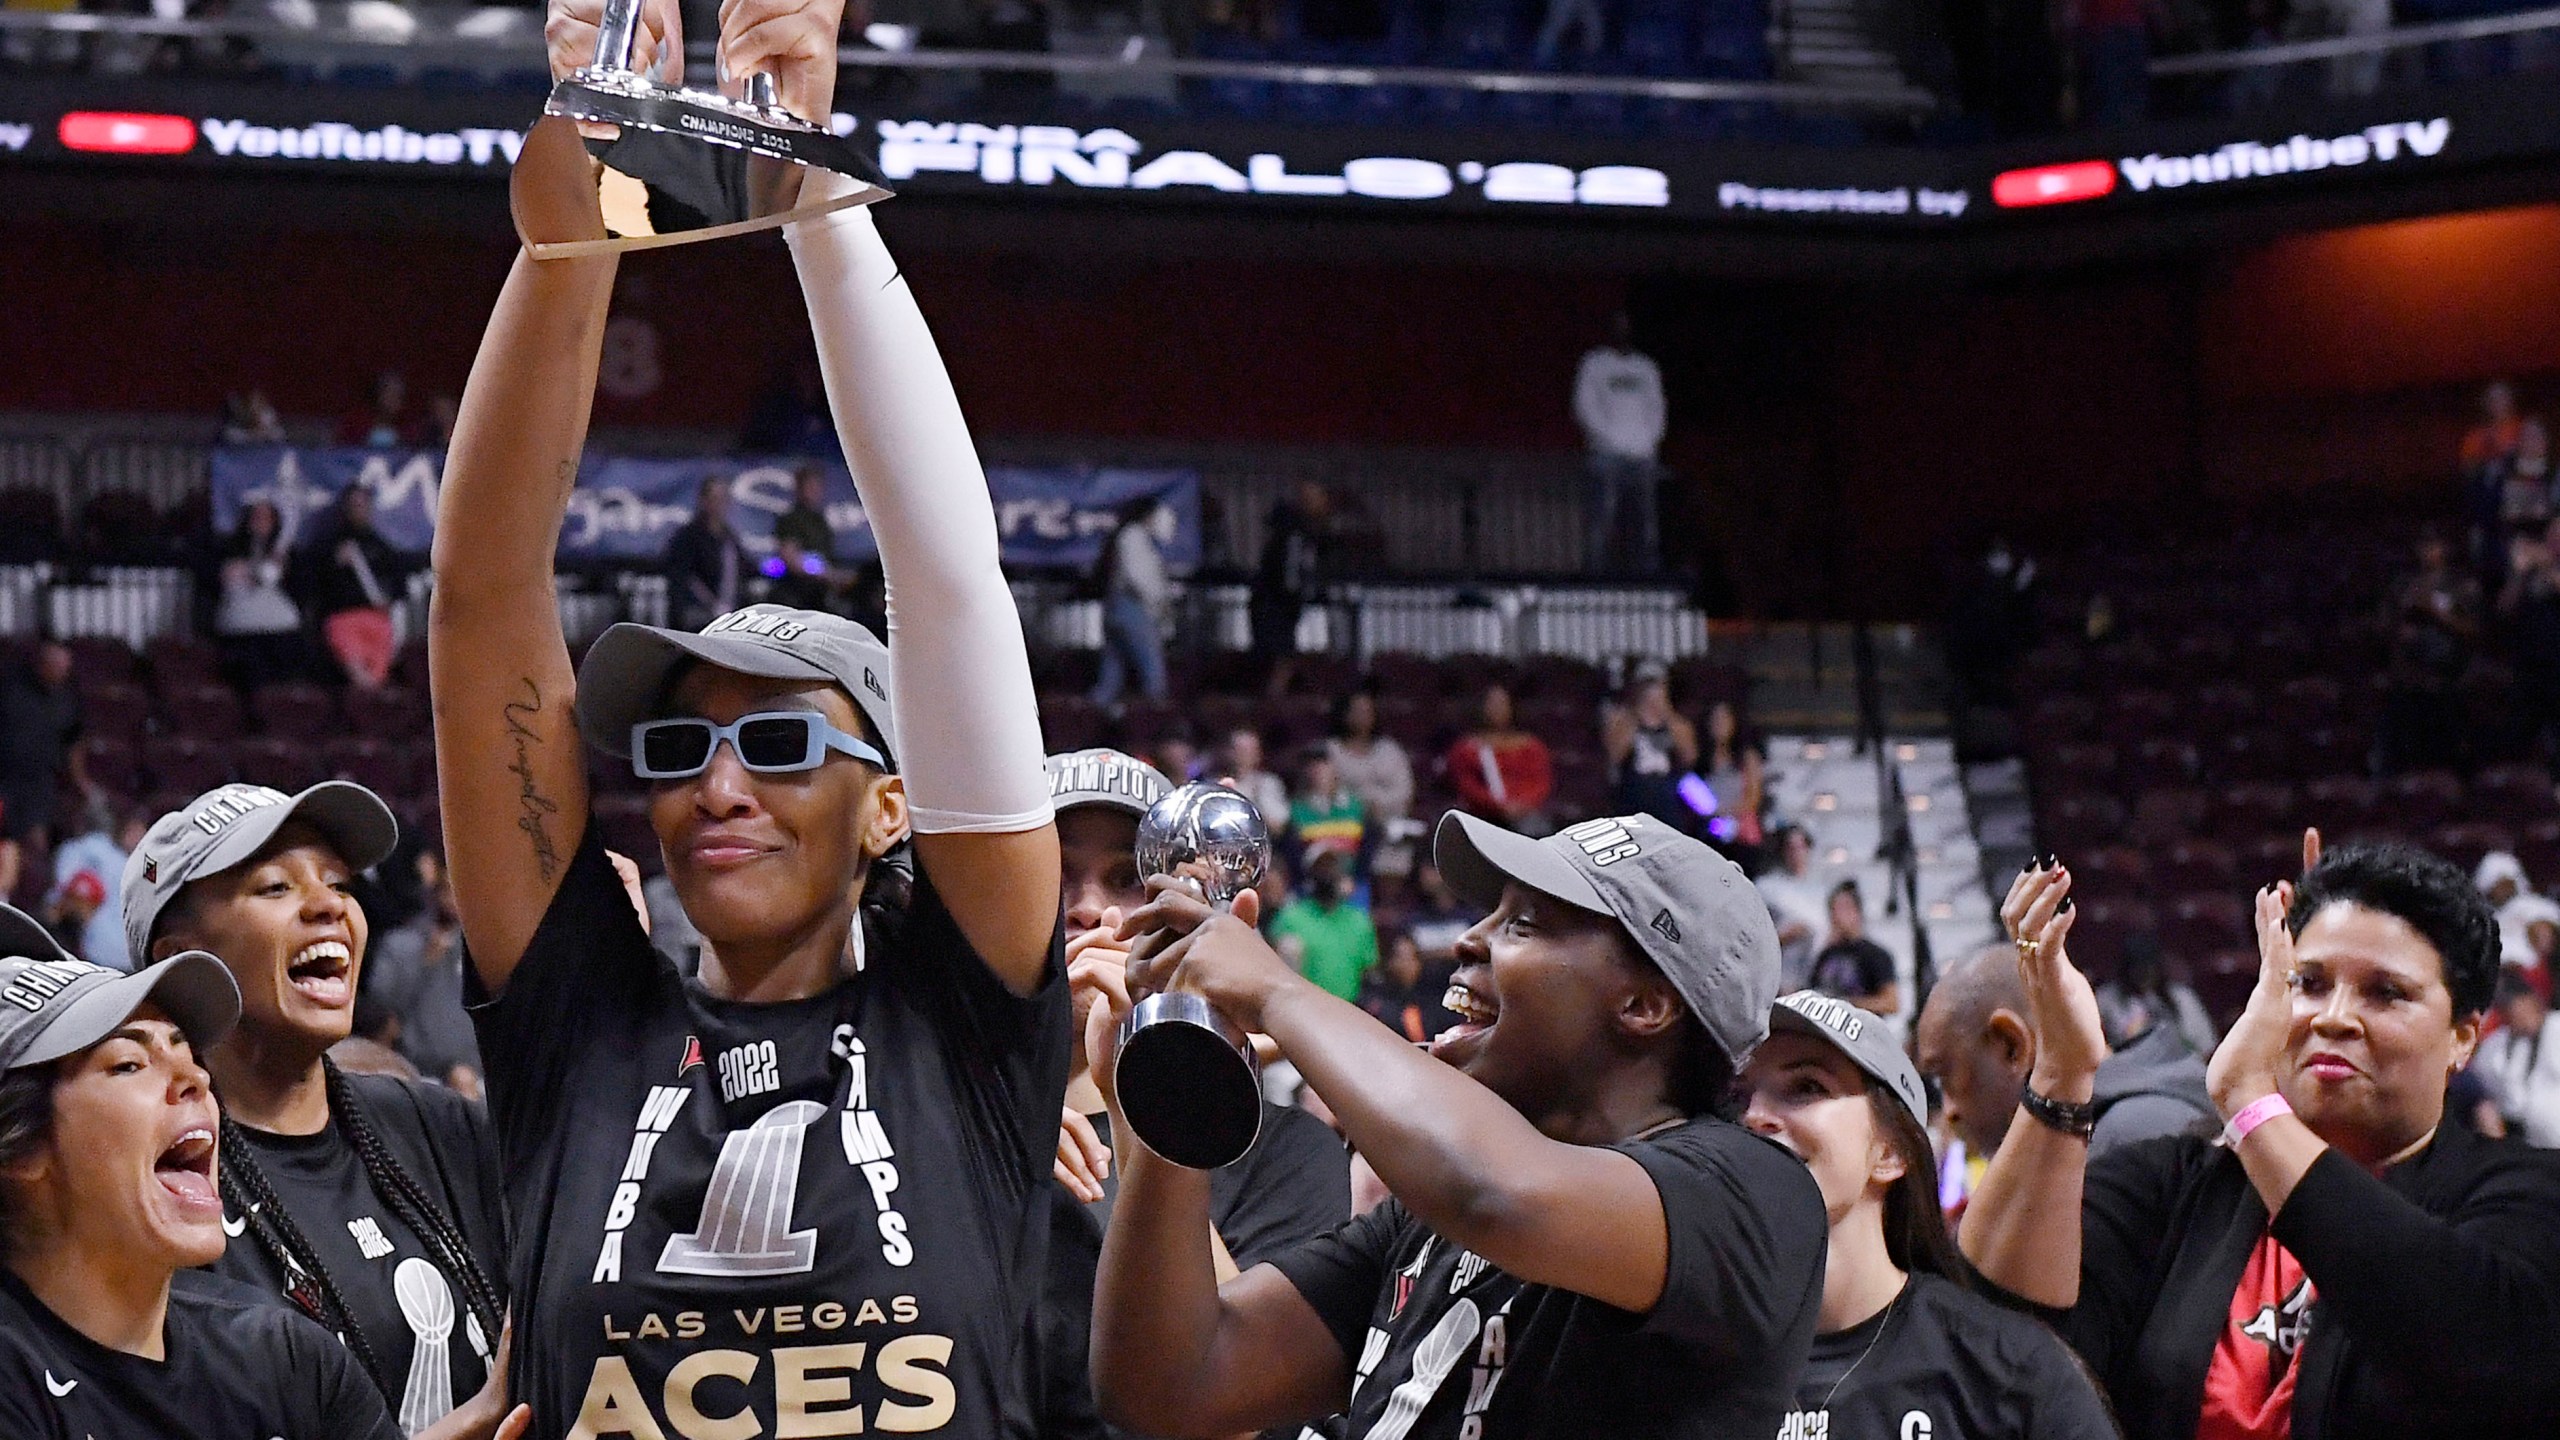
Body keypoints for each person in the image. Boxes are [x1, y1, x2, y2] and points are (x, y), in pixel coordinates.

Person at [431, 8, 1067, 1431]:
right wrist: (576, 232)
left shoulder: (964, 1023)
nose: (715, 785)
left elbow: (952, 583)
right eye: (675, 749)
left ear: (892, 802)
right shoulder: (580, 1022)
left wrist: (807, 193)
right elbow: (484, 600)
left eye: (779, 743)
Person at [1086, 810, 1827, 1438]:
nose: (1468, 940)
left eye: (1525, 926)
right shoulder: (1422, 1223)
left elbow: (1499, 1192)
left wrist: (1275, 990)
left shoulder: (1753, 1193)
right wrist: (1169, 1084)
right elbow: (1169, 1385)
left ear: (1643, 1007)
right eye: (1491, 915)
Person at [1966, 845, 2560, 1440]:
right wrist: (2062, 1072)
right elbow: (2001, 1322)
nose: (2334, 1017)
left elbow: (2475, 1355)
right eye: (2309, 982)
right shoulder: (2179, 1181)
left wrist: (2250, 1102)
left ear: (2463, 1038)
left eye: (2386, 993)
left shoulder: (2526, 1192)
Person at [121, 782, 514, 1439]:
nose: (328, 905)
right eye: (276, 887)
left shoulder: (434, 1122)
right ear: (181, 963)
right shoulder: (155, 1192)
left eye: (339, 883)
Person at [0, 927, 439, 1438]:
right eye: (128, 1064)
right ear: (23, 1148)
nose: (197, 1079)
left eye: (188, 1054)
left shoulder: (287, 1358)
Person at [1038, 747, 1351, 1440]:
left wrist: (1143, 1101)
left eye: (1125, 879)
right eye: (1054, 873)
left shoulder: (1286, 1153)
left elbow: (1243, 1419)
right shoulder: (943, 1123)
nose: (1089, 908)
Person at [1738, 991, 2117, 1440]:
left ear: (1891, 1152)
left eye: (1806, 1087)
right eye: (1736, 1097)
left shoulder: (2009, 1373)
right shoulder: (1677, 1367)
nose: (1754, 1116)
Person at [1917, 938, 2215, 1171]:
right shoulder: (2132, 1116)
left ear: (2012, 1046)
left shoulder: (2124, 1139)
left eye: (1946, 1077)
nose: (1950, 1111)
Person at [363, 847, 483, 1097]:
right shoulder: (401, 943)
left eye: (462, 890)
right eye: (448, 889)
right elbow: (382, 1011)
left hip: (478, 1074)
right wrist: (426, 964)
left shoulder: (485, 948)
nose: (454, 899)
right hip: (416, 1074)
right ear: (436, 890)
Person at [291, 486, 413, 692]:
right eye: (354, 505)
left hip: (379, 620)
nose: (359, 510)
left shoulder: (382, 547)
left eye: (363, 505)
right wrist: (333, 563)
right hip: (343, 619)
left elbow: (399, 586)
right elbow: (310, 583)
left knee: (377, 680)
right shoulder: (327, 546)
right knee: (361, 680)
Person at [2378, 528, 2480, 774]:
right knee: (2407, 754)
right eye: (2424, 546)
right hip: (2409, 684)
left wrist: (2433, 611)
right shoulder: (2403, 584)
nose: (2428, 552)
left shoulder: (2461, 585)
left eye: (2434, 545)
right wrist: (2399, 626)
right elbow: (2384, 625)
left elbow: (2472, 629)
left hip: (2449, 684)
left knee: (2450, 756)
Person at [1573, 313, 1666, 572]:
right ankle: (1596, 576)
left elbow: (1657, 408)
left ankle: (1647, 577)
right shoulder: (1594, 364)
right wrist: (1609, 438)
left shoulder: (1646, 367)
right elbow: (1584, 405)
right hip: (1606, 454)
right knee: (1602, 523)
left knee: (1645, 525)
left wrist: (1648, 439)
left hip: (1643, 455)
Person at [216, 497, 312, 693]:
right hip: (240, 632)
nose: (260, 522)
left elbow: (303, 590)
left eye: (266, 518)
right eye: (256, 517)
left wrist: (285, 569)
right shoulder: (227, 549)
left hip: (280, 632)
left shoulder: (288, 554)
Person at [1087, 496, 1173, 711]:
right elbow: (1139, 577)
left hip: (1120, 607)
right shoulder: (1133, 536)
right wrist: (1159, 600)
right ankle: (1154, 718)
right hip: (1132, 607)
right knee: (1152, 670)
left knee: (1112, 672)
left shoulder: (1132, 536)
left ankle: (1093, 714)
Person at [0, 640, 83, 849]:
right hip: (6, 775)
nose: (63, 672)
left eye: (66, 668)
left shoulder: (67, 699)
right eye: (57, 666)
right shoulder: (11, 688)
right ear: (43, 663)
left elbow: (74, 741)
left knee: (36, 839)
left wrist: (80, 779)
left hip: (41, 781)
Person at [1249, 482, 1328, 694]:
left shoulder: (1304, 532)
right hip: (1275, 605)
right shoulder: (1294, 533)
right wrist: (1297, 595)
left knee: (1282, 657)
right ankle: (1271, 702)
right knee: (1282, 658)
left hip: (1279, 604)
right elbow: (1290, 575)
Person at [1445, 683, 1554, 836]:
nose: (1497, 709)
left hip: (1524, 817)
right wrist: (1498, 807)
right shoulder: (1467, 748)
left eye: (1502, 704)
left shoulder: (1532, 747)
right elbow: (1466, 784)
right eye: (1492, 704)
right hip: (1481, 817)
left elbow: (1540, 782)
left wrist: (1520, 806)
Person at [1268, 850, 1376, 1003]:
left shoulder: (1359, 920)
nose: (1328, 875)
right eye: (1322, 869)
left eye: (1333, 868)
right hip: (1304, 1009)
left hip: (1351, 1010)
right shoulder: (1291, 917)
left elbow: (1368, 970)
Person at [47, 801, 143, 970]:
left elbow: (65, 896)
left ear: (80, 824)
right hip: (125, 956)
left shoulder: (70, 851)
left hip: (84, 953)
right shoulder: (124, 861)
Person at [1604, 662, 1697, 834]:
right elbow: (1615, 756)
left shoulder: (1678, 723)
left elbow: (1689, 757)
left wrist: (1666, 714)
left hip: (1666, 790)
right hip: (1634, 788)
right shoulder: (1622, 719)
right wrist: (1636, 716)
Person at [2094, 931, 2219, 1059]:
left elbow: (2205, 1048)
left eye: (2148, 967)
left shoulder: (2183, 998)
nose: (2143, 974)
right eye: (2136, 967)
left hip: (2179, 1071)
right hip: (2127, 1072)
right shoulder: (2106, 1001)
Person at [2475, 969, 2560, 1146]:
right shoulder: (2494, 1047)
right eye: (2512, 1010)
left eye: (2523, 1007)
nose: (2521, 1016)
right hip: (2519, 1137)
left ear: (2534, 1002)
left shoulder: (2556, 1027)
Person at [1325, 689, 1413, 856]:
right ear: (1344, 713)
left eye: (1367, 711)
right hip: (1344, 824)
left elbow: (1404, 793)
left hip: (1388, 822)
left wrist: (1379, 806)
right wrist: (1359, 806)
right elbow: (1327, 791)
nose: (1363, 716)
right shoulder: (1331, 751)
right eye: (1357, 710)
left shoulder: (1390, 751)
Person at [660, 473, 751, 631]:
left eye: (724, 499)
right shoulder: (687, 536)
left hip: (729, 613)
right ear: (703, 501)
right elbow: (682, 578)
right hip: (697, 613)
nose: (721, 504)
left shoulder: (730, 538)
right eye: (715, 498)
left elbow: (744, 570)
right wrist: (710, 605)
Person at [1809, 881, 1899, 1017]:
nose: (1837, 916)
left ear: (1857, 911)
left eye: (1843, 908)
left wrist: (1848, 1004)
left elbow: (1891, 1003)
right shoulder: (1825, 954)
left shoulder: (1876, 955)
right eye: (1833, 909)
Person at [1355, 927, 1458, 1044]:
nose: (1407, 965)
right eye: (1402, 958)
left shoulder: (1433, 998)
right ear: (1389, 961)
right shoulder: (1373, 1001)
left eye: (1412, 957)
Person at [1757, 826, 1829, 992]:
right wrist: (1784, 936)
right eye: (1791, 848)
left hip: (1816, 971)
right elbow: (1756, 936)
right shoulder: (1767, 887)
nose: (1796, 853)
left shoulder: (1822, 887)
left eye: (1801, 847)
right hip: (1782, 974)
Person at [1287, 748, 1365, 877]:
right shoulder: (1297, 809)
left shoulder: (1355, 806)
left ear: (1334, 768)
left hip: (1352, 880)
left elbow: (1364, 849)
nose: (1318, 771)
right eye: (1312, 766)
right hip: (1313, 881)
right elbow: (1296, 854)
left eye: (1323, 765)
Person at [1698, 700, 1765, 848]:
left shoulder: (1747, 757)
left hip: (1742, 835)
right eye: (1715, 719)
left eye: (1724, 718)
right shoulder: (1702, 759)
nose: (1719, 724)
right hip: (1711, 834)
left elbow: (1753, 798)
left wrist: (1726, 811)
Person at [1222, 726, 1292, 828]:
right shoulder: (1217, 785)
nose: (1243, 755)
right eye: (1239, 750)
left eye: (1249, 750)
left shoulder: (1269, 784)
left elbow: (1278, 826)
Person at [339, 370, 414, 448]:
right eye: (389, 394)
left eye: (398, 396)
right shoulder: (356, 421)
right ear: (379, 396)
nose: (393, 400)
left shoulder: (408, 424)